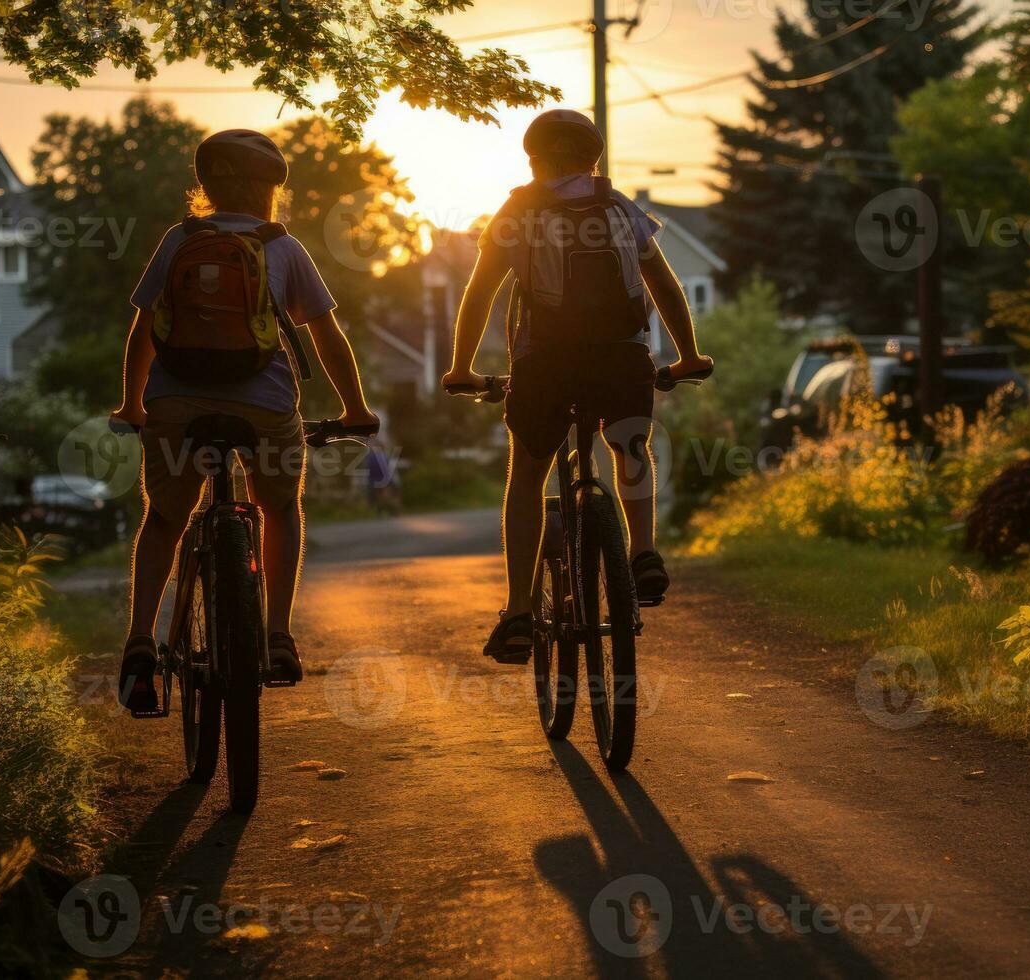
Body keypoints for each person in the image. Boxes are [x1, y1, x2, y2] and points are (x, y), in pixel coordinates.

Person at [111, 129, 380, 713]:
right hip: (263, 408)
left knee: (163, 519)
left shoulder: (178, 240)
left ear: (204, 187)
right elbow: (327, 338)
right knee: (278, 507)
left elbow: (143, 333)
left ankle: (139, 641)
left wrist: (134, 405)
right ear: (268, 191)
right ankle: (277, 636)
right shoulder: (283, 247)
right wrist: (355, 408)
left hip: (175, 406)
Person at [440, 109, 713, 662]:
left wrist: (462, 368)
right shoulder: (617, 207)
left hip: (546, 363)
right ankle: (643, 553)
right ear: (594, 159)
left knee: (529, 475)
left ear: (534, 158)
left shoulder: (518, 210)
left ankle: (519, 610)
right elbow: (662, 280)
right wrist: (687, 355)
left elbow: (481, 290)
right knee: (631, 443)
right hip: (622, 355)